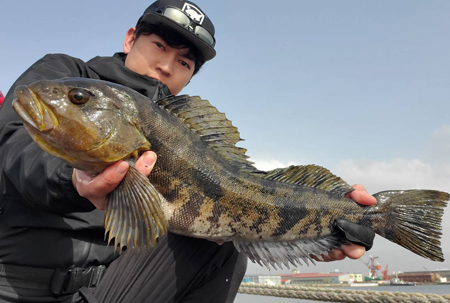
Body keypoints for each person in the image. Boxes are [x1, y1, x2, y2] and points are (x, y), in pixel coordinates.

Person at [0, 0, 376, 302]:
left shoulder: (182, 130)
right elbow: (15, 149)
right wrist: (76, 180)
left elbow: (239, 191)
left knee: (222, 246)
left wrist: (324, 229)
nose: (166, 65)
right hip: (16, 284)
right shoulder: (62, 73)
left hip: (103, 290)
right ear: (131, 39)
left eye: (184, 62)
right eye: (159, 46)